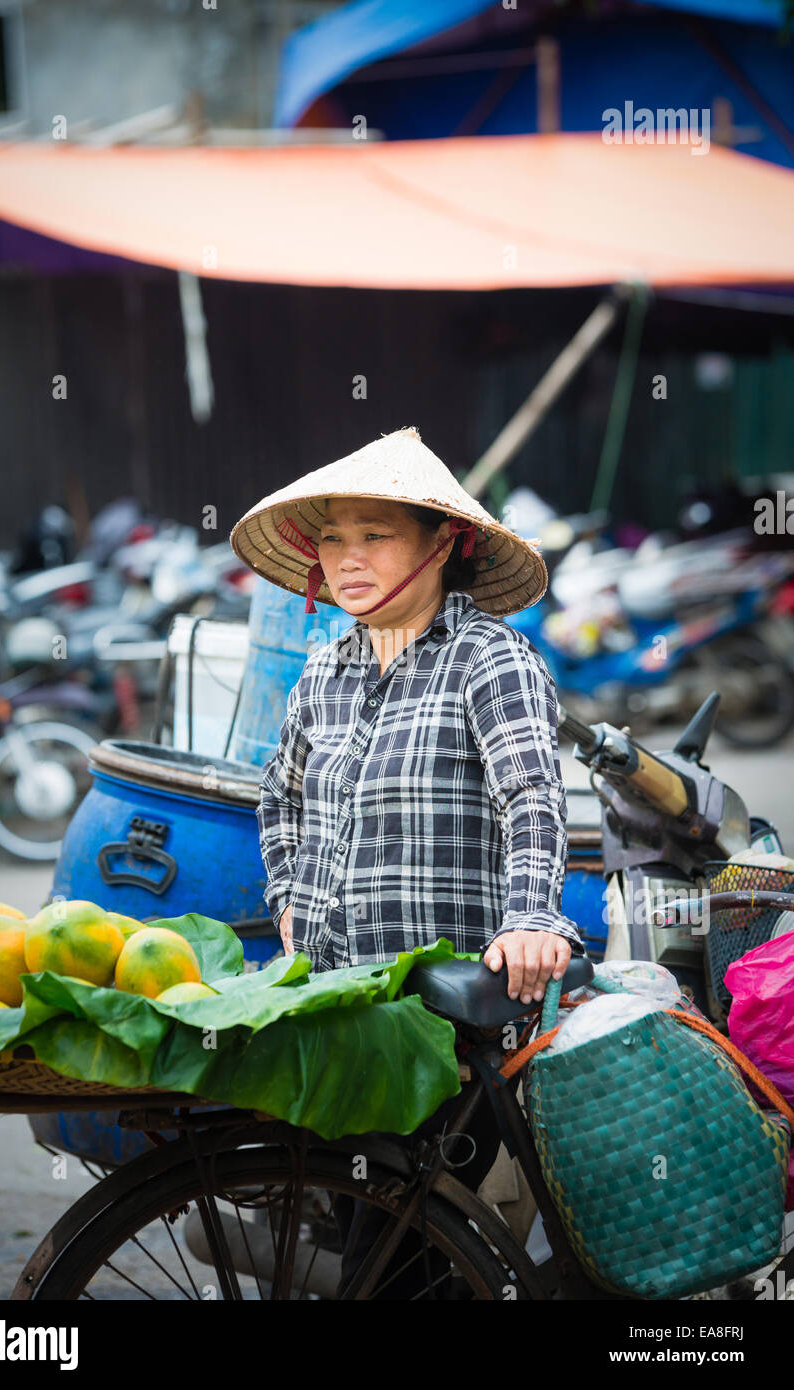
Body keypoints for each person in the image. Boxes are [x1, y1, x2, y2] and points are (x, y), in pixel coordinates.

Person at [229, 426, 584, 1297]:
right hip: (336, 1004)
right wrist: (286, 895)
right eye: (335, 538)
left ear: (443, 543)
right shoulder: (324, 672)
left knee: (398, 1261)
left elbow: (531, 797)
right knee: (363, 1232)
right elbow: (280, 795)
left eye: (375, 534)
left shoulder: (488, 658)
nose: (349, 558)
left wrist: (532, 918)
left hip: (445, 1025)